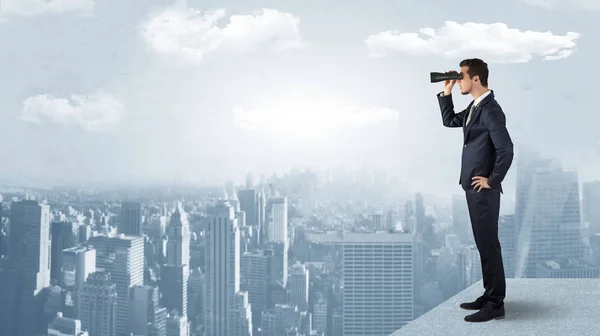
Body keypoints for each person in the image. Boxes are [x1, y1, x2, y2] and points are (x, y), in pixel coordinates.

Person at [437, 58, 514, 322]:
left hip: (484, 190)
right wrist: (446, 92)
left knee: (489, 245)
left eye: (462, 76)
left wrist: (492, 180)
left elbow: (506, 149)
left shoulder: (491, 110)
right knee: (483, 244)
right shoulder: (474, 106)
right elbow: (449, 121)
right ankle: (488, 293)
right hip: (471, 186)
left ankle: (496, 303)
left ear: (476, 79)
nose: (459, 80)